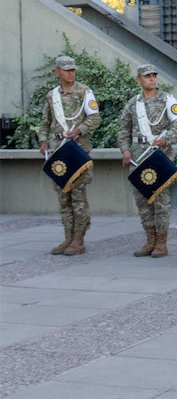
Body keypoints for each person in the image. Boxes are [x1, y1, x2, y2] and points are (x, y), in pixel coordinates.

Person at [117, 64, 177, 258]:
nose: (152, 79)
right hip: (138, 156)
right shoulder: (133, 103)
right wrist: (125, 150)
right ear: (139, 80)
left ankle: (161, 243)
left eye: (154, 75)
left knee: (160, 200)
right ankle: (150, 240)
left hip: (159, 155)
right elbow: (123, 128)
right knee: (142, 199)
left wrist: (166, 139)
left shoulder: (167, 100)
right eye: (147, 76)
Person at [38, 55, 101, 256]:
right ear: (57, 72)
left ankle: (79, 240)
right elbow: (45, 121)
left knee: (78, 196)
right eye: (66, 70)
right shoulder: (52, 96)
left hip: (77, 149)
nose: (70, 73)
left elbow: (95, 118)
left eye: (73, 70)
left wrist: (79, 130)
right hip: (58, 150)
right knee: (63, 196)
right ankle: (68, 237)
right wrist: (43, 140)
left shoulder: (85, 92)